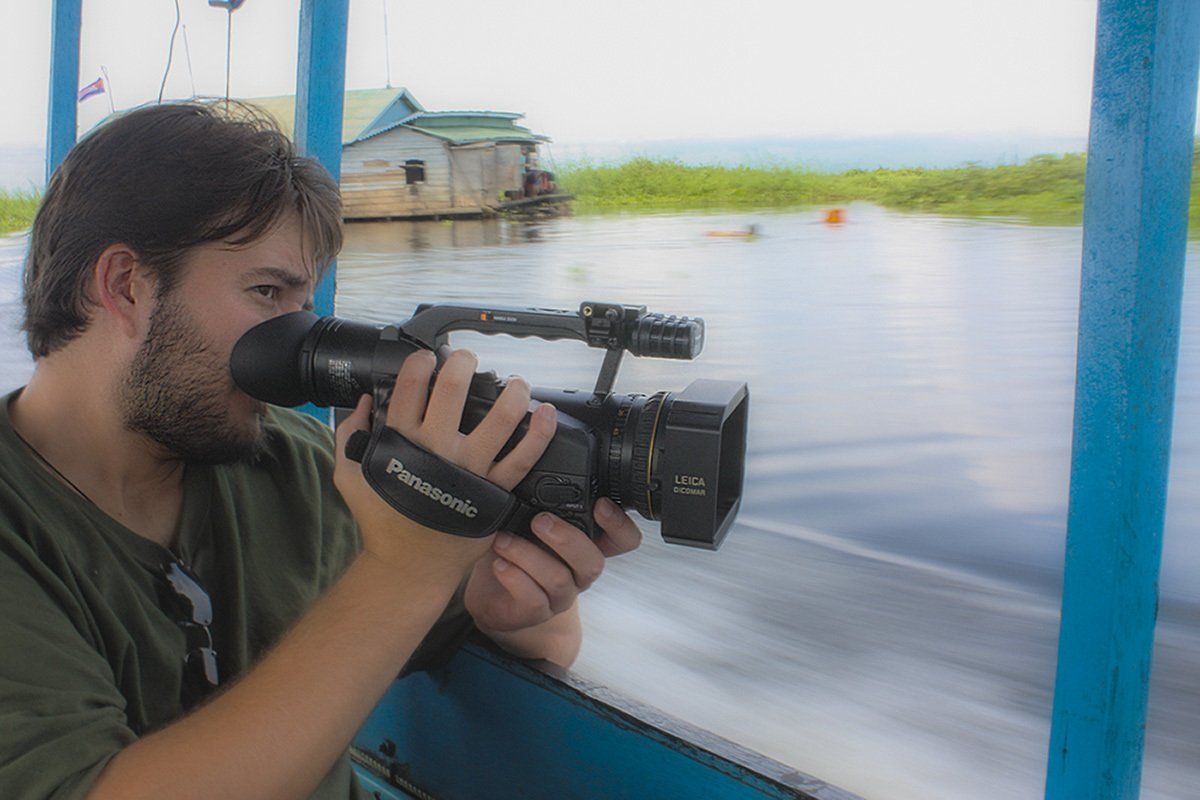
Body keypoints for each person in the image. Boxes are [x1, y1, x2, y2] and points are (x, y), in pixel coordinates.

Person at [0, 101, 641, 799]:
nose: (298, 342)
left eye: (304, 305)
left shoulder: (302, 464)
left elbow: (545, 643)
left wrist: (515, 597)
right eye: (267, 292)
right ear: (126, 286)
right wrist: (406, 568)